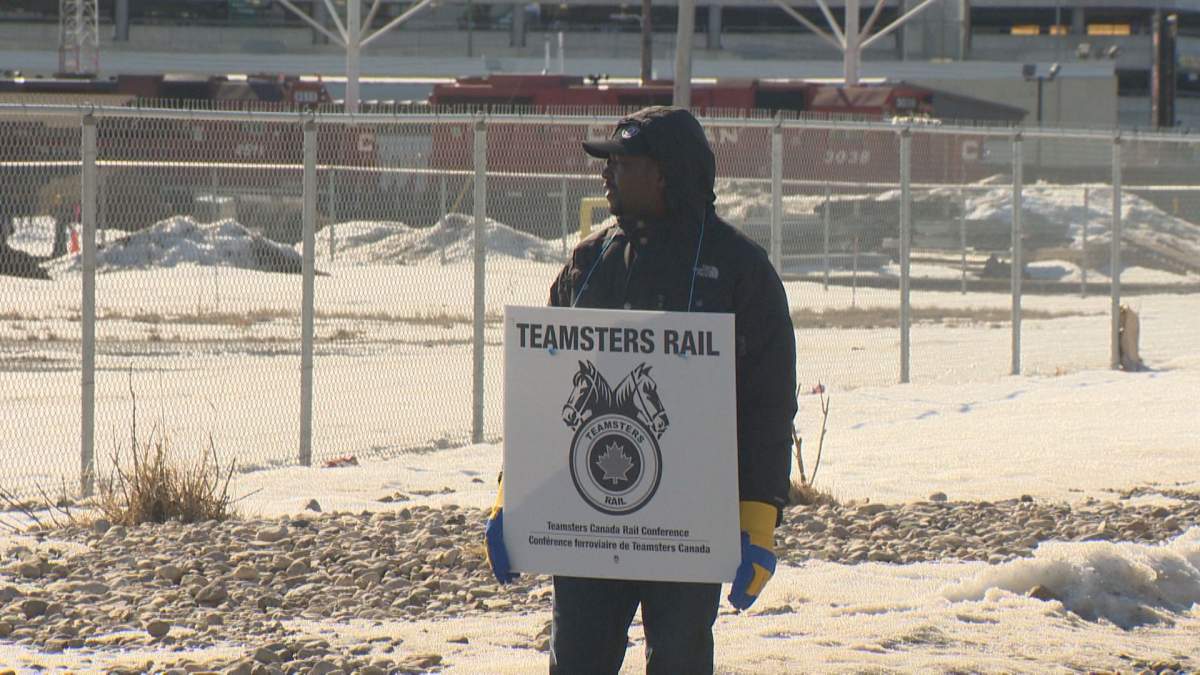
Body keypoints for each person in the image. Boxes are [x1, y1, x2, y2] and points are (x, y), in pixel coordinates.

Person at [484, 106, 797, 674]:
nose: (605, 176)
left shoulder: (740, 272)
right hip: (588, 517)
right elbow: (544, 394)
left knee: (679, 660)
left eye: (621, 164)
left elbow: (768, 406)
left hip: (688, 526)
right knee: (577, 659)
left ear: (664, 173)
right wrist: (515, 495)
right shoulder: (590, 261)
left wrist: (757, 517)